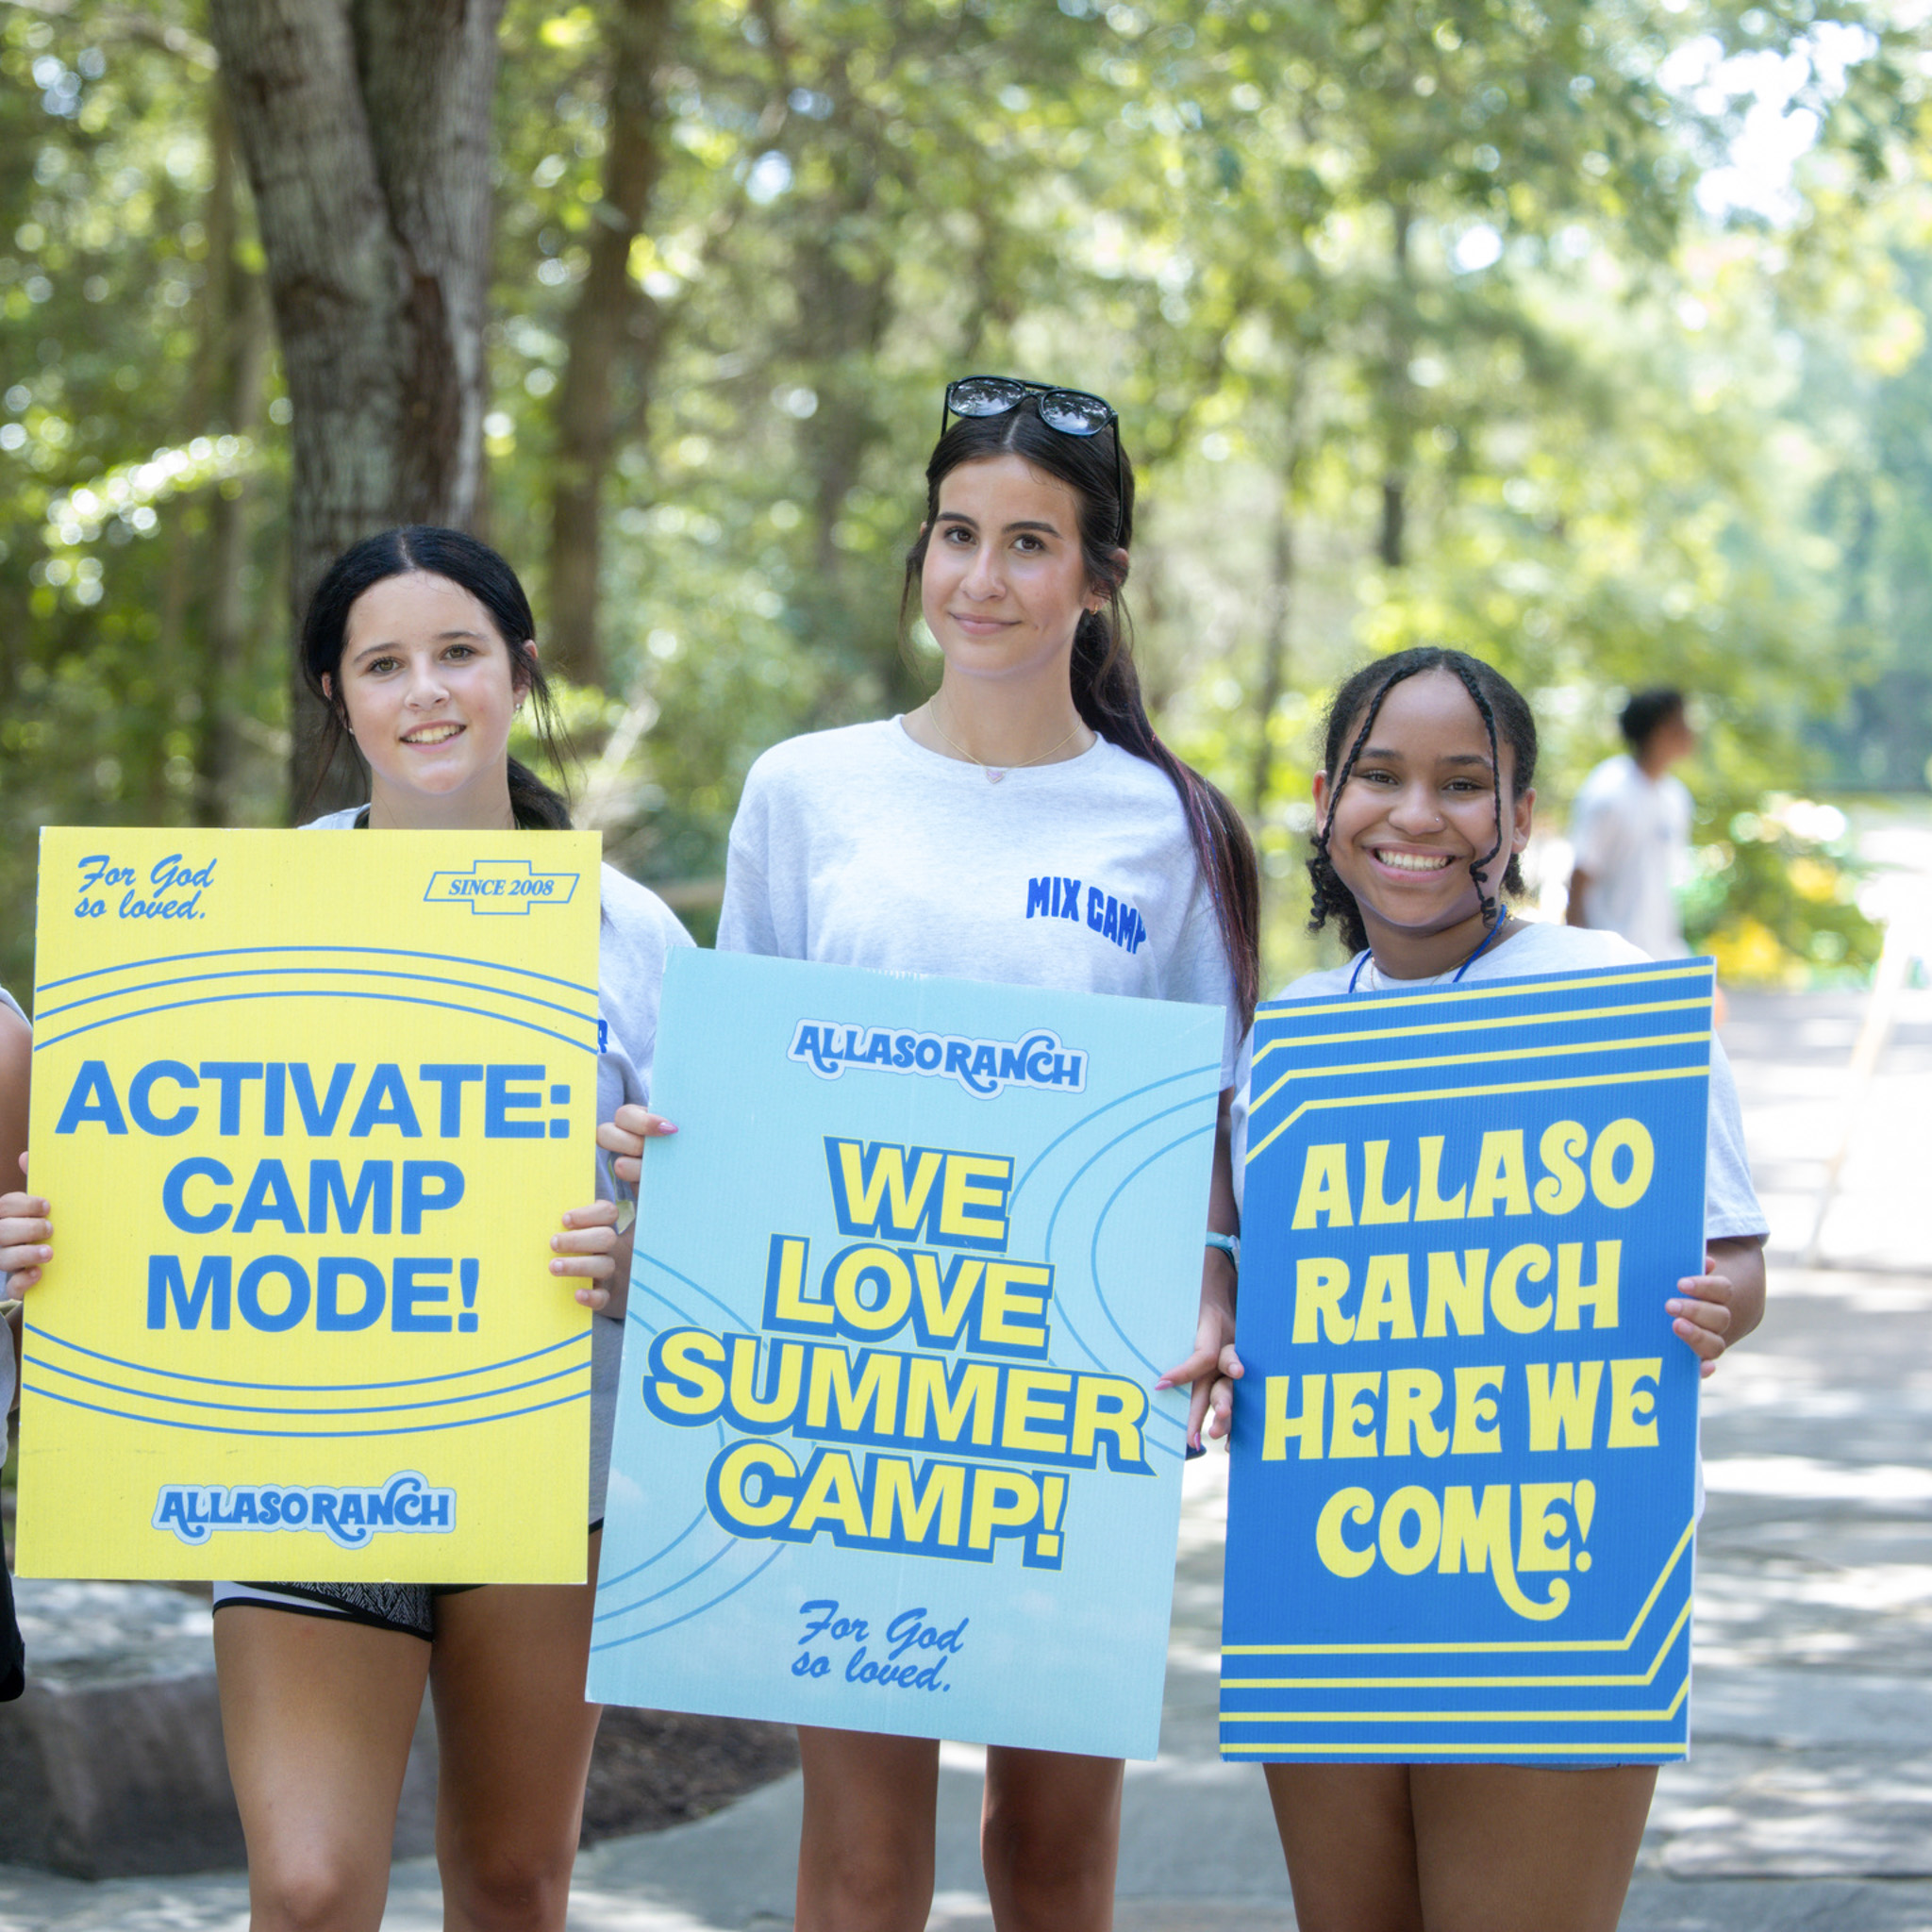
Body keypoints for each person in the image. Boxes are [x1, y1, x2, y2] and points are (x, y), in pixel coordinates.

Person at [606, 375, 1259, 1932]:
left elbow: (1212, 1110)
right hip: (850, 1379)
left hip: (1070, 1383)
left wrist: (1215, 1296)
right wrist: (662, 1163)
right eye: (956, 533)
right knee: (856, 1857)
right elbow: (744, 1075)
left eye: (1030, 542)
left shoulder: (1171, 822)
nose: (982, 577)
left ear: (1098, 577)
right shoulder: (805, 789)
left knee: (1046, 1851)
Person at [8, 527, 689, 1932]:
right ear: (339, 695)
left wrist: (644, 1259)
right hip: (298, 1462)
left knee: (511, 1882)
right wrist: (34, 1254)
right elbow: (133, 1186)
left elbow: (712, 1237)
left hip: (553, 1476)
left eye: (457, 654)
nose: (425, 692)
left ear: (519, 672)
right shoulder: (234, 921)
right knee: (311, 1890)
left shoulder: (634, 939)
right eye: (385, 664)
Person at [1211, 647, 1766, 1932]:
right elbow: (1226, 1264)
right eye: (1381, 776)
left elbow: (1736, 1256)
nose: (1417, 815)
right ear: (1323, 798)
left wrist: (1713, 1307)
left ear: (1519, 819)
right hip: (1328, 1583)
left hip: (1554, 1583)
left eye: (1465, 784)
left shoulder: (1617, 997)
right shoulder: (1285, 1038)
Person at [1566, 688, 1696, 959]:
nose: (1691, 731)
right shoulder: (1609, 791)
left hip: (1660, 953)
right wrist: (1577, 954)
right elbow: (1581, 876)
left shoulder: (1675, 796)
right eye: (1681, 722)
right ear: (1659, 731)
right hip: (1611, 956)